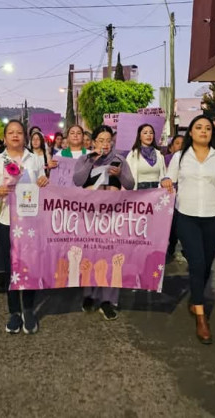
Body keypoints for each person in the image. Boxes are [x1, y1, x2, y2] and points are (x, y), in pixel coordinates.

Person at [161, 115, 215, 344]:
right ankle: (201, 314)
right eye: (198, 127)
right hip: (186, 218)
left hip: (213, 218)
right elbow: (169, 178)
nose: (204, 131)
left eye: (207, 128)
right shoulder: (180, 156)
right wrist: (166, 180)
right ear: (191, 133)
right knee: (196, 263)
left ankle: (194, 297)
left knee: (205, 265)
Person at [0, 119, 49, 334]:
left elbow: (43, 182)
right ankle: (14, 312)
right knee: (11, 265)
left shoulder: (35, 159)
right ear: (5, 137)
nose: (15, 136)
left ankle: (28, 309)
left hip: (30, 220)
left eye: (19, 132)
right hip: (6, 220)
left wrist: (43, 181)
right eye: (10, 132)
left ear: (25, 136)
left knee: (29, 263)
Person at [72, 125, 134, 321]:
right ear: (94, 142)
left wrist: (120, 175)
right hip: (90, 218)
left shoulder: (120, 161)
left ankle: (108, 300)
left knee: (111, 256)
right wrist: (92, 162)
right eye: (101, 140)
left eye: (108, 140)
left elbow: (131, 184)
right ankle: (89, 294)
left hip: (112, 218)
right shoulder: (85, 158)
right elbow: (76, 180)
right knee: (90, 254)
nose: (105, 144)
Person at [126, 123, 166, 190]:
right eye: (145, 133)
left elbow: (164, 175)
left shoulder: (159, 154)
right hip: (139, 192)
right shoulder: (133, 154)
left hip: (157, 192)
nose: (148, 135)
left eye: (151, 133)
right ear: (139, 136)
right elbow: (127, 176)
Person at [165, 135, 185, 261]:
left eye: (183, 143)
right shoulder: (166, 159)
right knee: (172, 226)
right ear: (171, 147)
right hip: (169, 197)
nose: (180, 145)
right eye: (177, 143)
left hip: (183, 198)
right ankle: (171, 247)